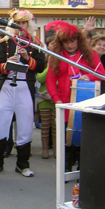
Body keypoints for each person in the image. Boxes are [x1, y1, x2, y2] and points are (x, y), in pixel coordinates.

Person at [0, 9, 45, 178]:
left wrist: (28, 58)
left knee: (26, 126)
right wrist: (6, 65)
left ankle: (22, 164)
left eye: (23, 23)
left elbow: (41, 66)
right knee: (0, 123)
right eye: (18, 23)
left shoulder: (35, 44)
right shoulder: (5, 41)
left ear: (29, 25)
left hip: (25, 88)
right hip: (6, 87)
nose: (20, 26)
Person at [46, 21, 105, 171]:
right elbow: (50, 80)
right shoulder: (56, 56)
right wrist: (56, 100)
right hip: (65, 105)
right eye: (66, 42)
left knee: (84, 141)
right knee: (66, 141)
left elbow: (102, 75)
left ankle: (82, 172)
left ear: (79, 40)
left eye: (73, 41)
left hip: (86, 104)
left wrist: (88, 77)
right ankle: (65, 171)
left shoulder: (89, 55)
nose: (70, 45)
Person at [36, 29, 57, 159]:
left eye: (55, 43)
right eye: (51, 43)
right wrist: (50, 66)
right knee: (45, 126)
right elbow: (40, 78)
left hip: (56, 98)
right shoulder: (43, 60)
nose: (53, 46)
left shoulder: (61, 59)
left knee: (55, 127)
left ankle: (55, 149)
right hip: (44, 97)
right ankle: (45, 150)